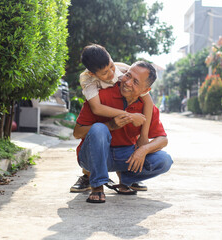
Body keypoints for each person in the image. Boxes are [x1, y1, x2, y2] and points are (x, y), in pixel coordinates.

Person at [73, 61, 173, 203]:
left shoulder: (146, 107)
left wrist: (143, 149)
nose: (127, 82)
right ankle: (97, 184)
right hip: (92, 158)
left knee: (164, 160)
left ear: (146, 90)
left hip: (125, 156)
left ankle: (126, 180)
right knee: (99, 128)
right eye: (128, 75)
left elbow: (163, 139)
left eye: (136, 82)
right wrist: (111, 125)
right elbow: (77, 132)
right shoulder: (101, 96)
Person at [70, 44, 152, 193]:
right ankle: (90, 177)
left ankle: (127, 178)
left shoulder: (122, 70)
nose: (110, 74)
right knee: (99, 130)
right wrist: (128, 115)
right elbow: (97, 108)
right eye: (104, 73)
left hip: (119, 115)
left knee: (126, 139)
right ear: (93, 74)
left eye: (111, 67)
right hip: (102, 115)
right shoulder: (88, 82)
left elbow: (148, 101)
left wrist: (144, 137)